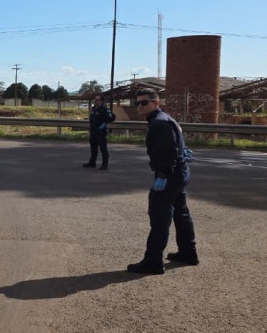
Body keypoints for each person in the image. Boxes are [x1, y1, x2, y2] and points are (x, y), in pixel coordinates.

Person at [128, 89, 199, 274]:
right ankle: (188, 252)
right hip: (179, 173)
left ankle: (153, 261)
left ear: (156, 103)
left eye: (144, 103)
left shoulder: (159, 124)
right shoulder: (165, 119)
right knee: (181, 213)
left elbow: (168, 155)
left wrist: (162, 177)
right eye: (137, 103)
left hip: (169, 175)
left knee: (159, 217)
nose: (140, 106)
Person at [83, 95, 116, 170]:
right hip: (93, 131)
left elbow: (112, 117)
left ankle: (105, 165)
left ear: (101, 101)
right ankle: (92, 163)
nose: (95, 101)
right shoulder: (94, 108)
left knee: (103, 148)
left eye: (97, 100)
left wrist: (104, 124)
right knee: (93, 148)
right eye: (95, 100)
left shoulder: (104, 109)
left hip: (101, 132)